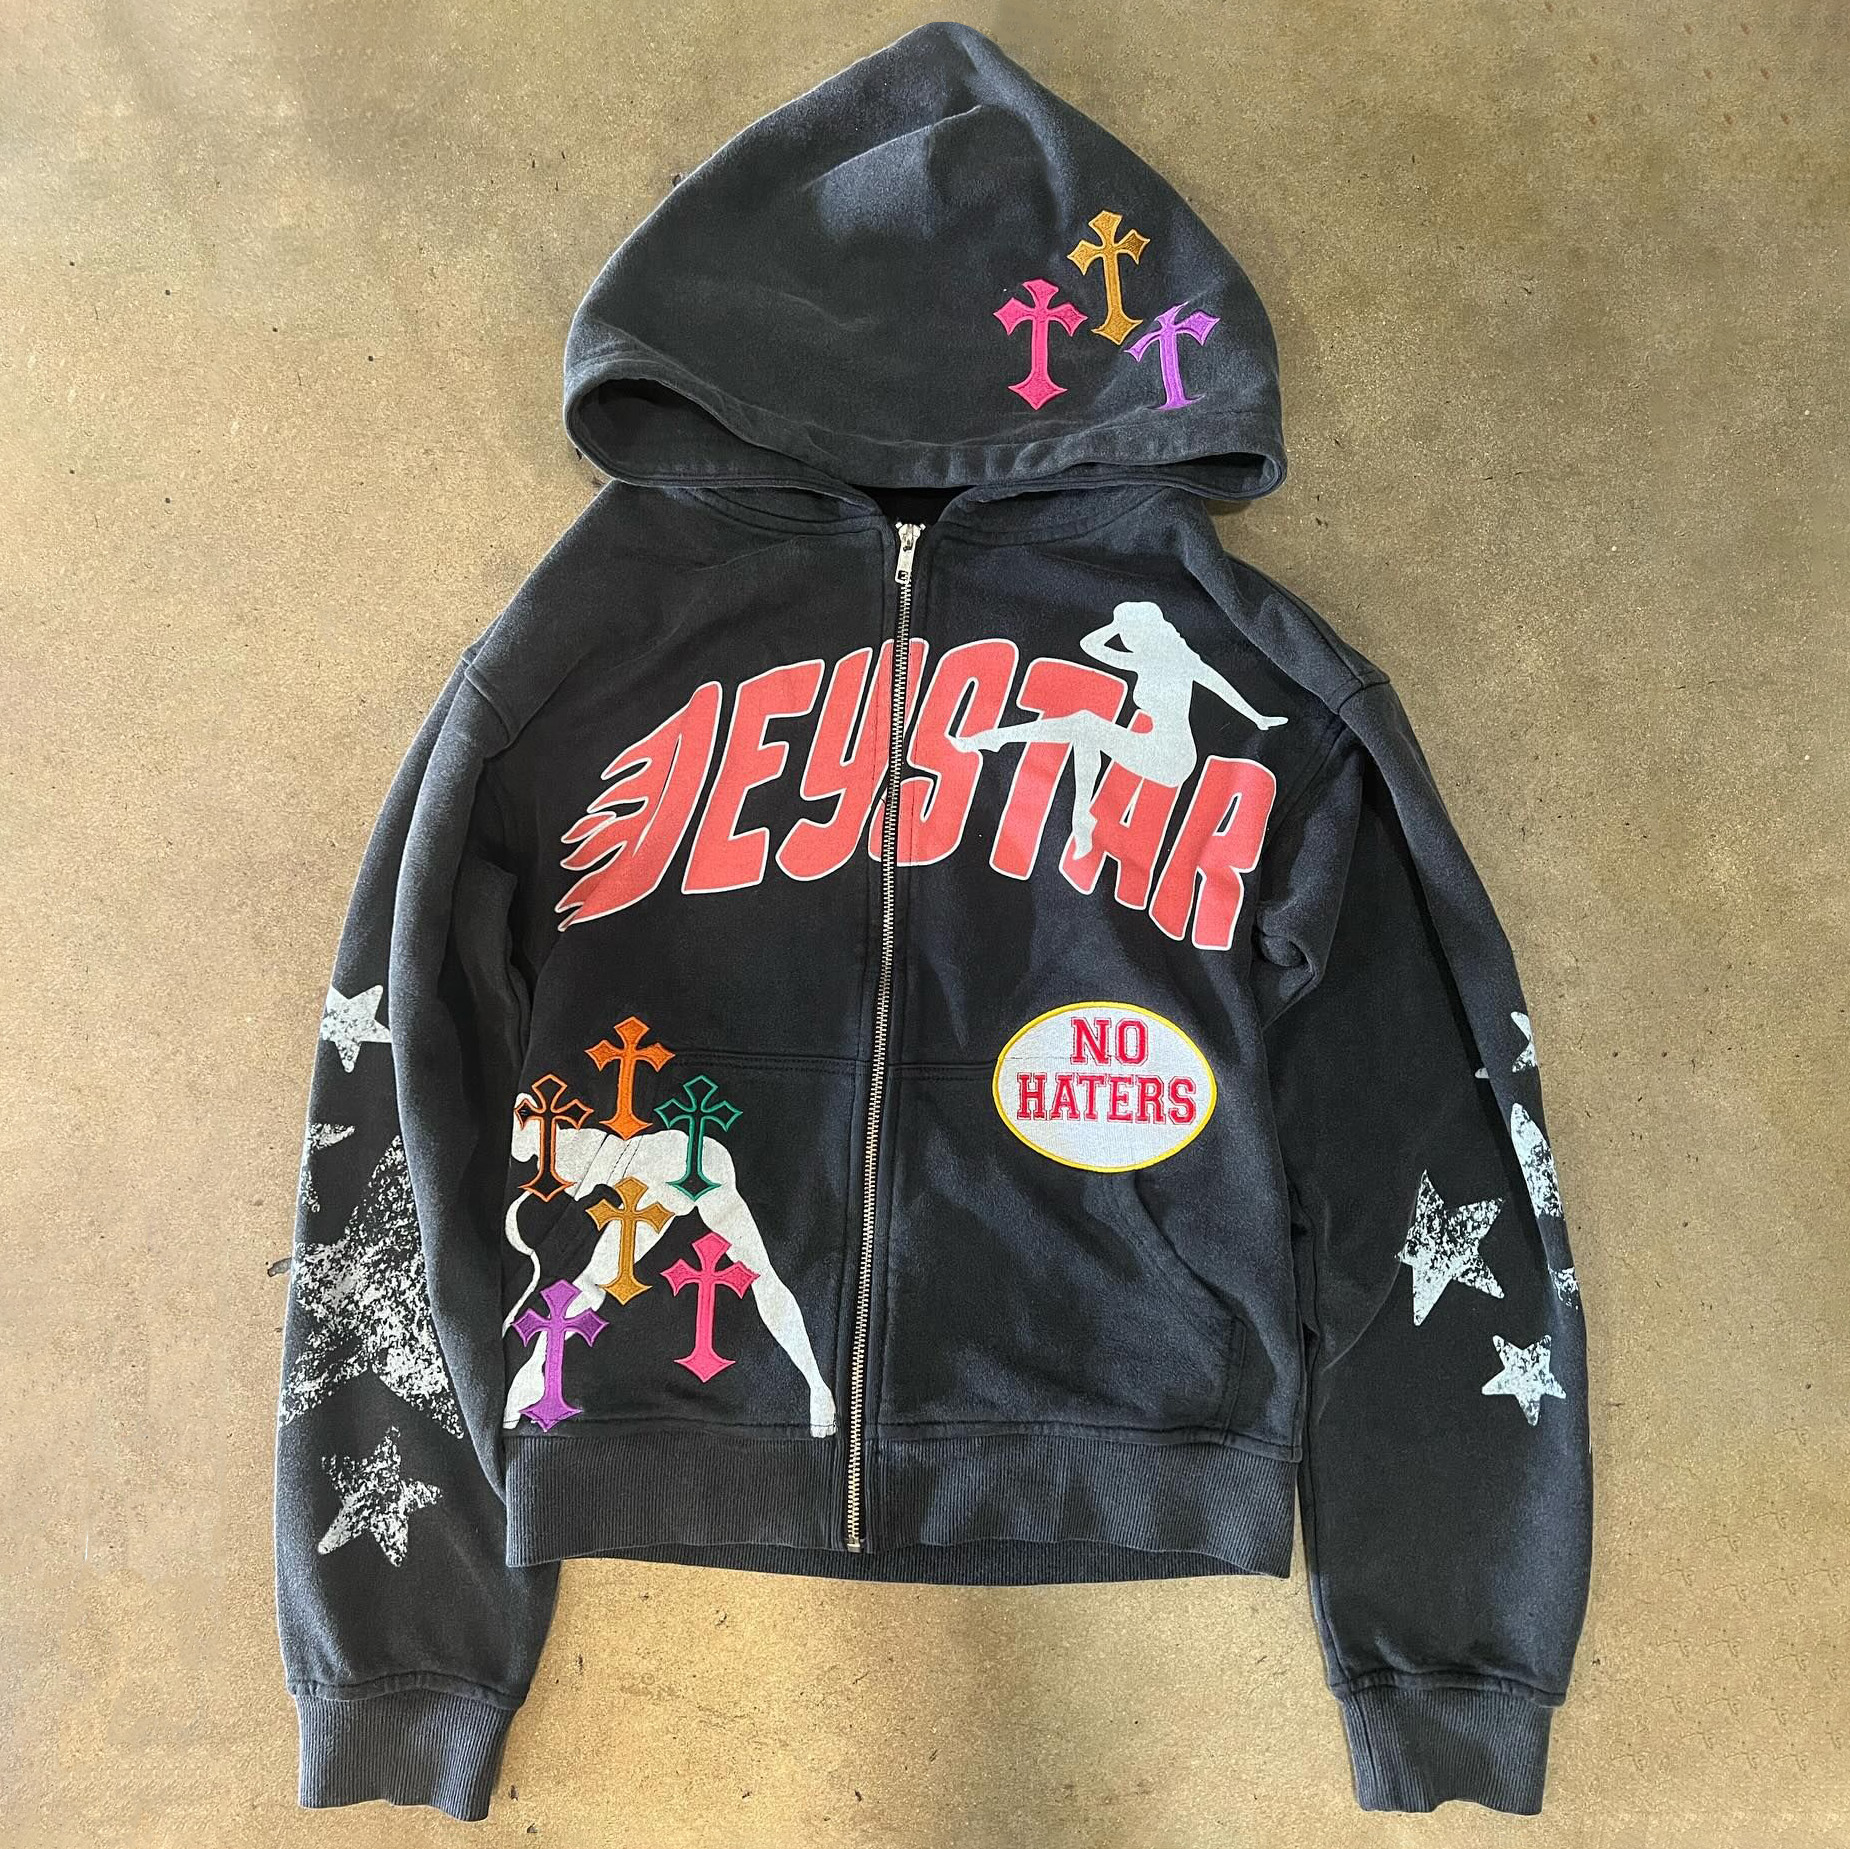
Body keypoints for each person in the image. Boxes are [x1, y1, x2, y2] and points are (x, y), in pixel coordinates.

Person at [951, 598, 1288, 855]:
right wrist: (1116, 623)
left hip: (1173, 757)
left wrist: (1258, 718)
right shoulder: (1145, 661)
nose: (1125, 639)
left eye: (1128, 633)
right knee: (1085, 731)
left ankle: (997, 740)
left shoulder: (1181, 660)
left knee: (1084, 726)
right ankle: (1078, 815)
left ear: (1143, 632)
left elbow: (1220, 686)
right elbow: (1090, 646)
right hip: (1154, 746)